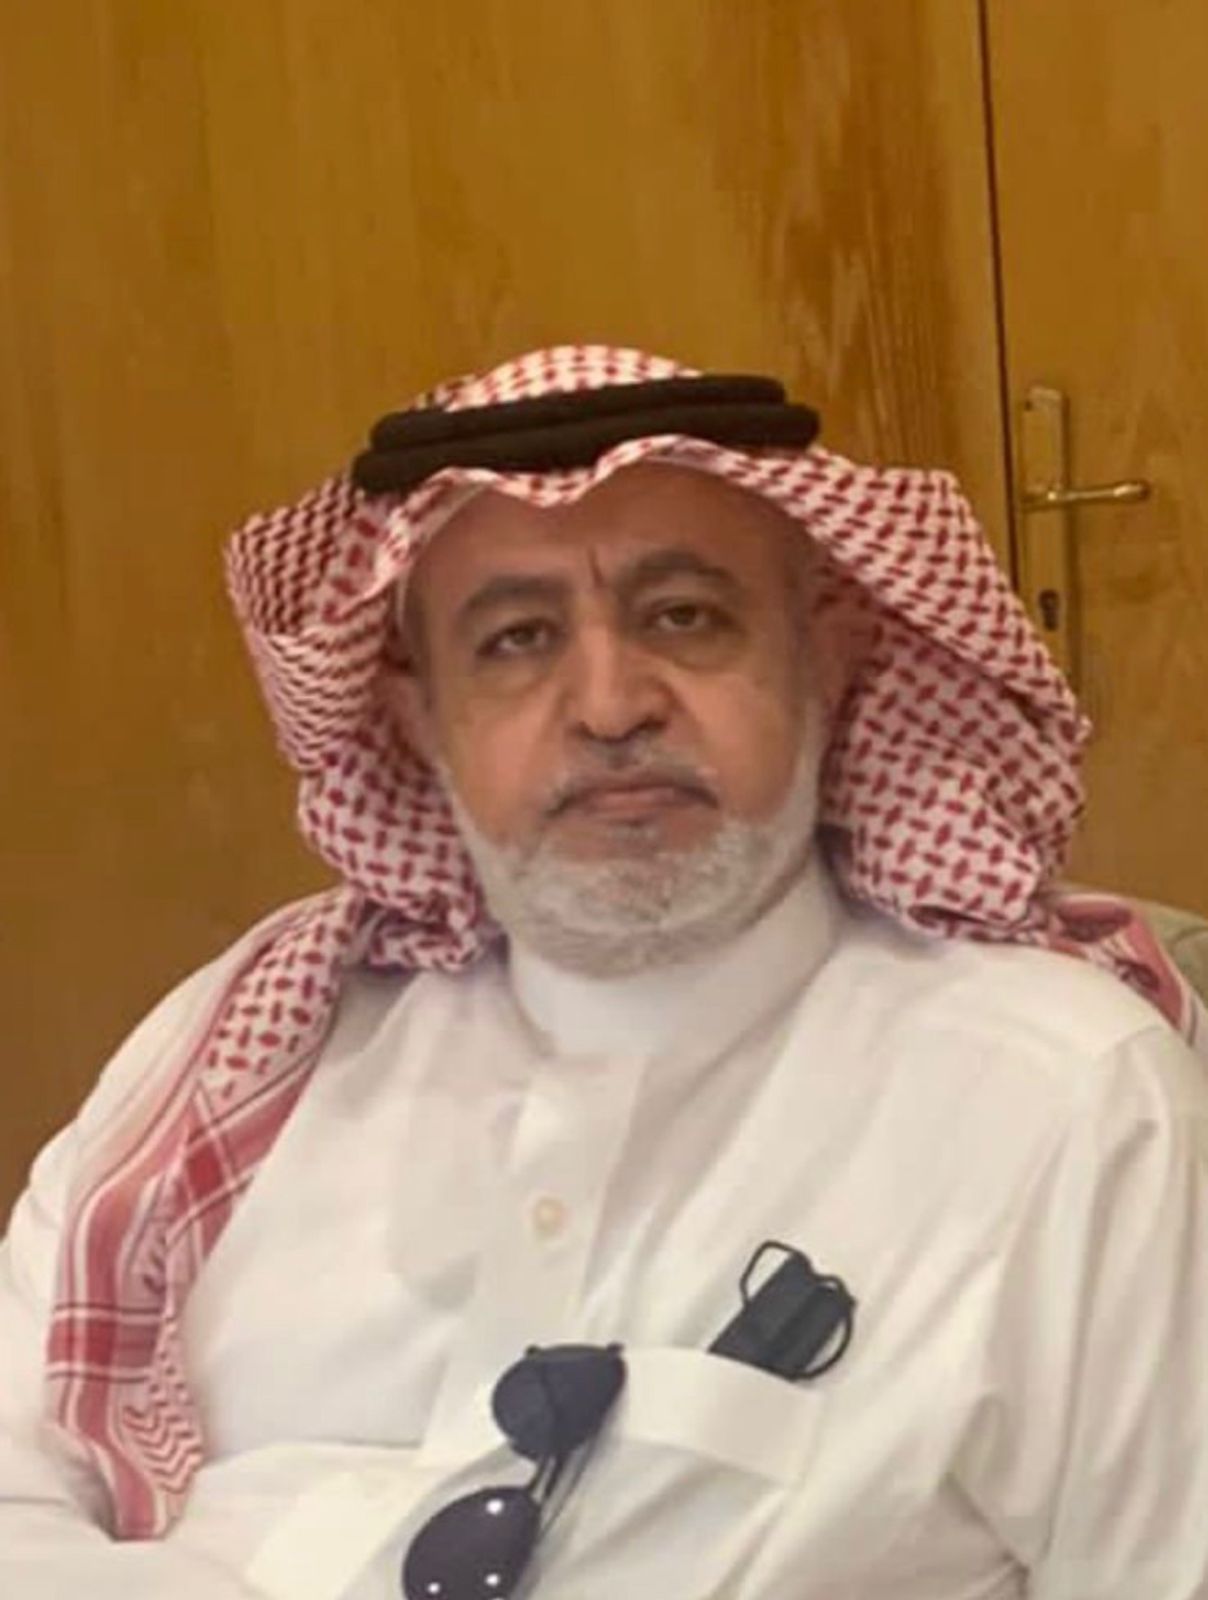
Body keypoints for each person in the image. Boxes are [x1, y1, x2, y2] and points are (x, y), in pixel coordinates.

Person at [2, 344, 1207, 1600]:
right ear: (416, 711)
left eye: (682, 616)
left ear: (827, 651)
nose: (610, 703)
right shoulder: (248, 1047)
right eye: (515, 639)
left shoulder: (1061, 1103)